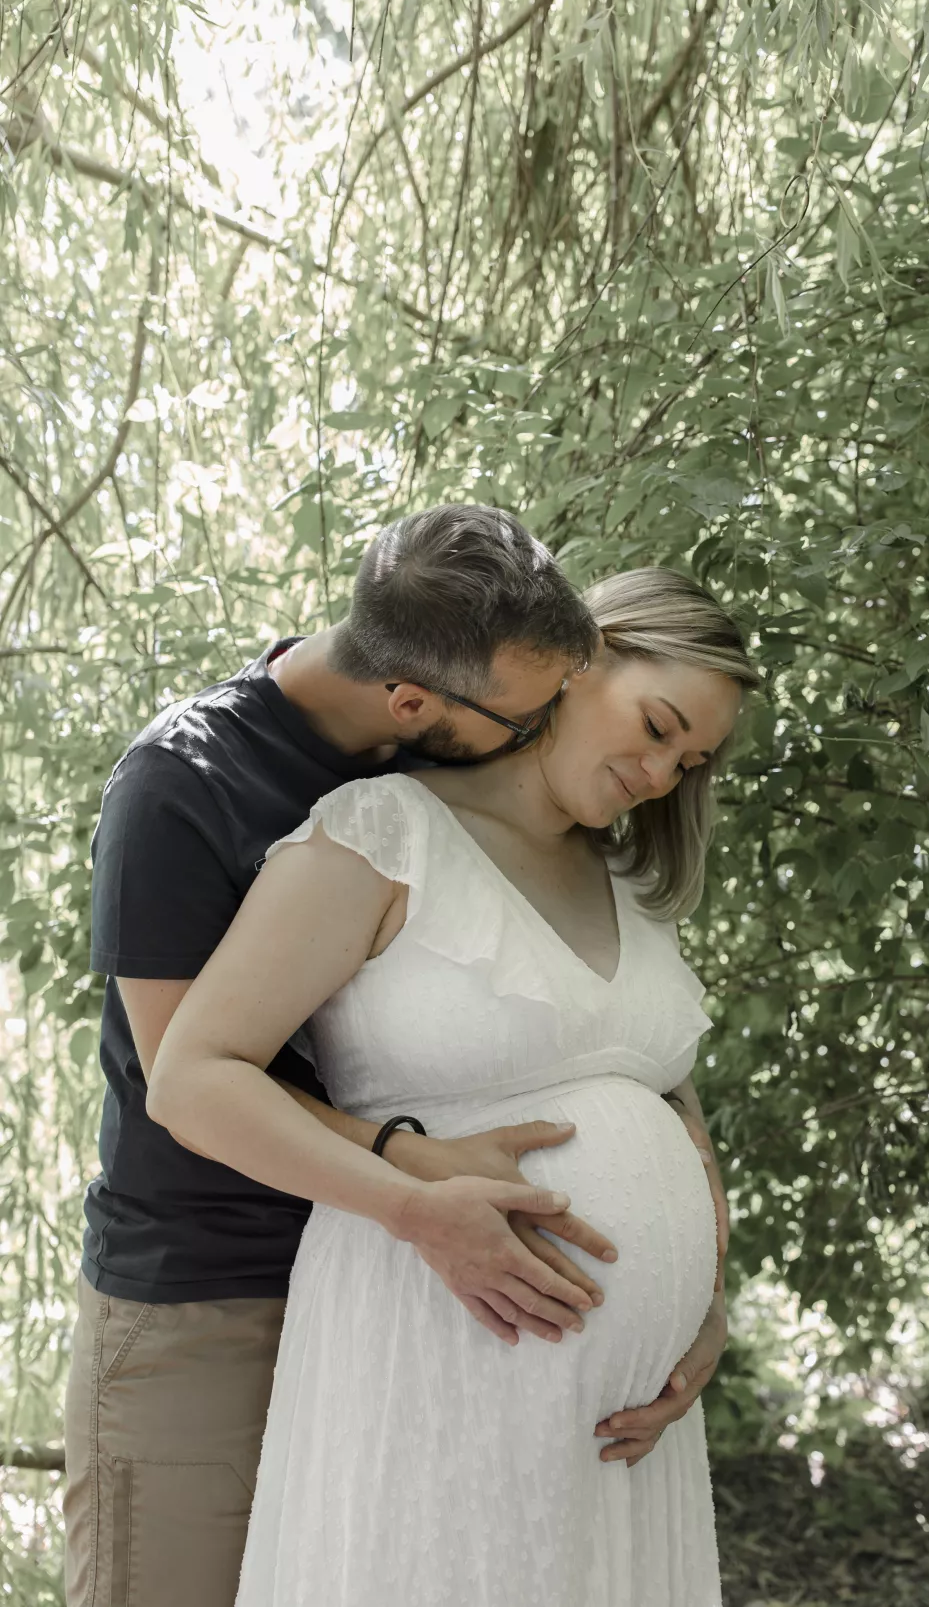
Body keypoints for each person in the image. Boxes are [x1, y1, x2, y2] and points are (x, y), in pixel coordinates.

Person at [63, 508, 731, 1607]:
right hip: (212, 1288)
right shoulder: (188, 784)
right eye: (530, 710)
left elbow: (628, 1065)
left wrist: (699, 1294)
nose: (538, 729)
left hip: (415, 1300)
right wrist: (408, 1169)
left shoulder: (458, 747)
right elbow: (184, 1073)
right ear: (416, 698)